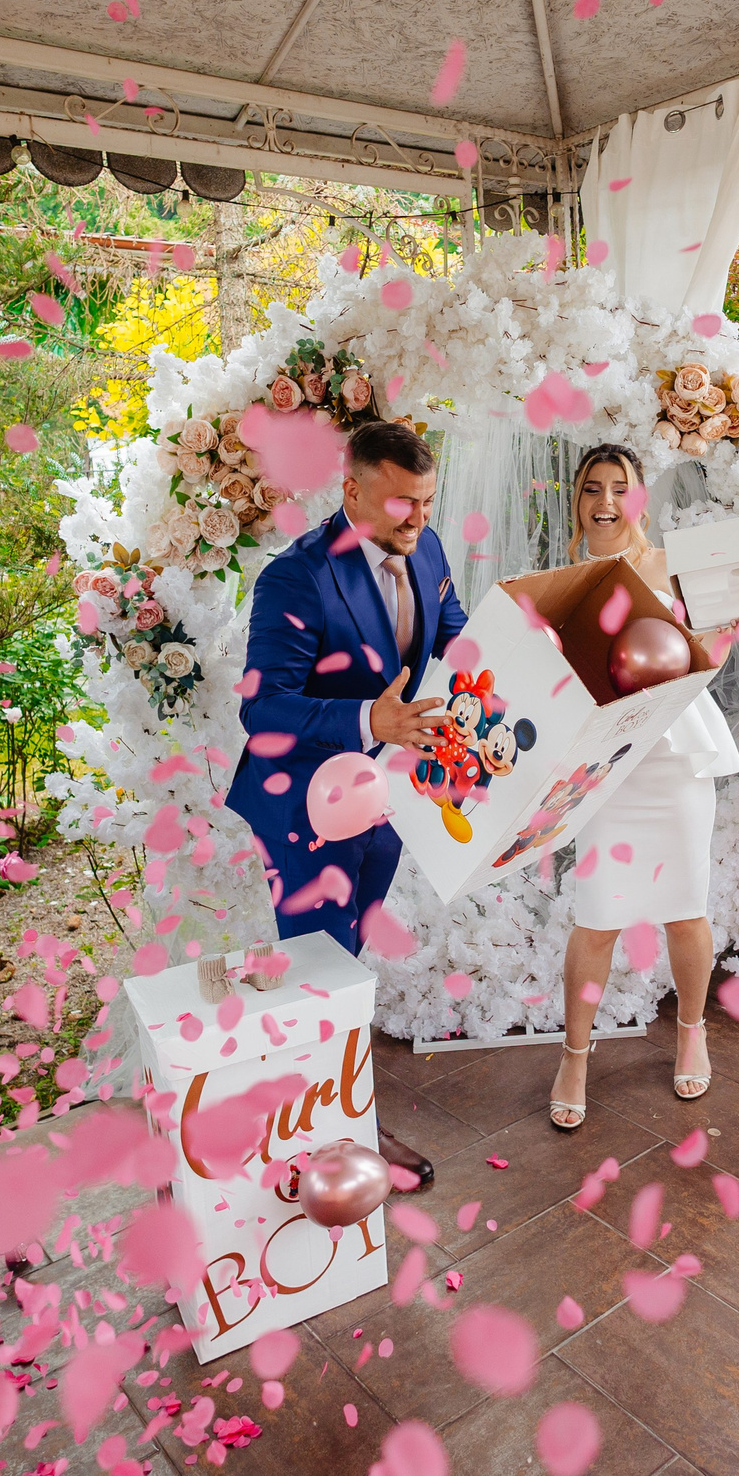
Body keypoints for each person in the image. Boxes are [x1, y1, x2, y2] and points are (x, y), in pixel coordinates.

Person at [232, 419, 466, 1186]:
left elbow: (454, 633)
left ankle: (334, 1119)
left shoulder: (422, 546)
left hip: (381, 803)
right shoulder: (294, 579)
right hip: (301, 806)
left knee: (343, 966)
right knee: (312, 976)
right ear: (352, 491)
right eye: (403, 503)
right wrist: (371, 720)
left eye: (428, 501)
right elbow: (263, 710)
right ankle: (321, 1144)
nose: (421, 519)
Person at [547, 444, 739, 1131]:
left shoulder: (675, 569)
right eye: (591, 488)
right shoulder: (563, 583)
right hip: (609, 768)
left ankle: (692, 1028)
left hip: (676, 761)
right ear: (576, 500)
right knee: (595, 917)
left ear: (640, 501)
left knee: (686, 908)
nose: (605, 502)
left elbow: (710, 656)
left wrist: (714, 634)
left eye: (619, 489)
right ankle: (575, 1054)